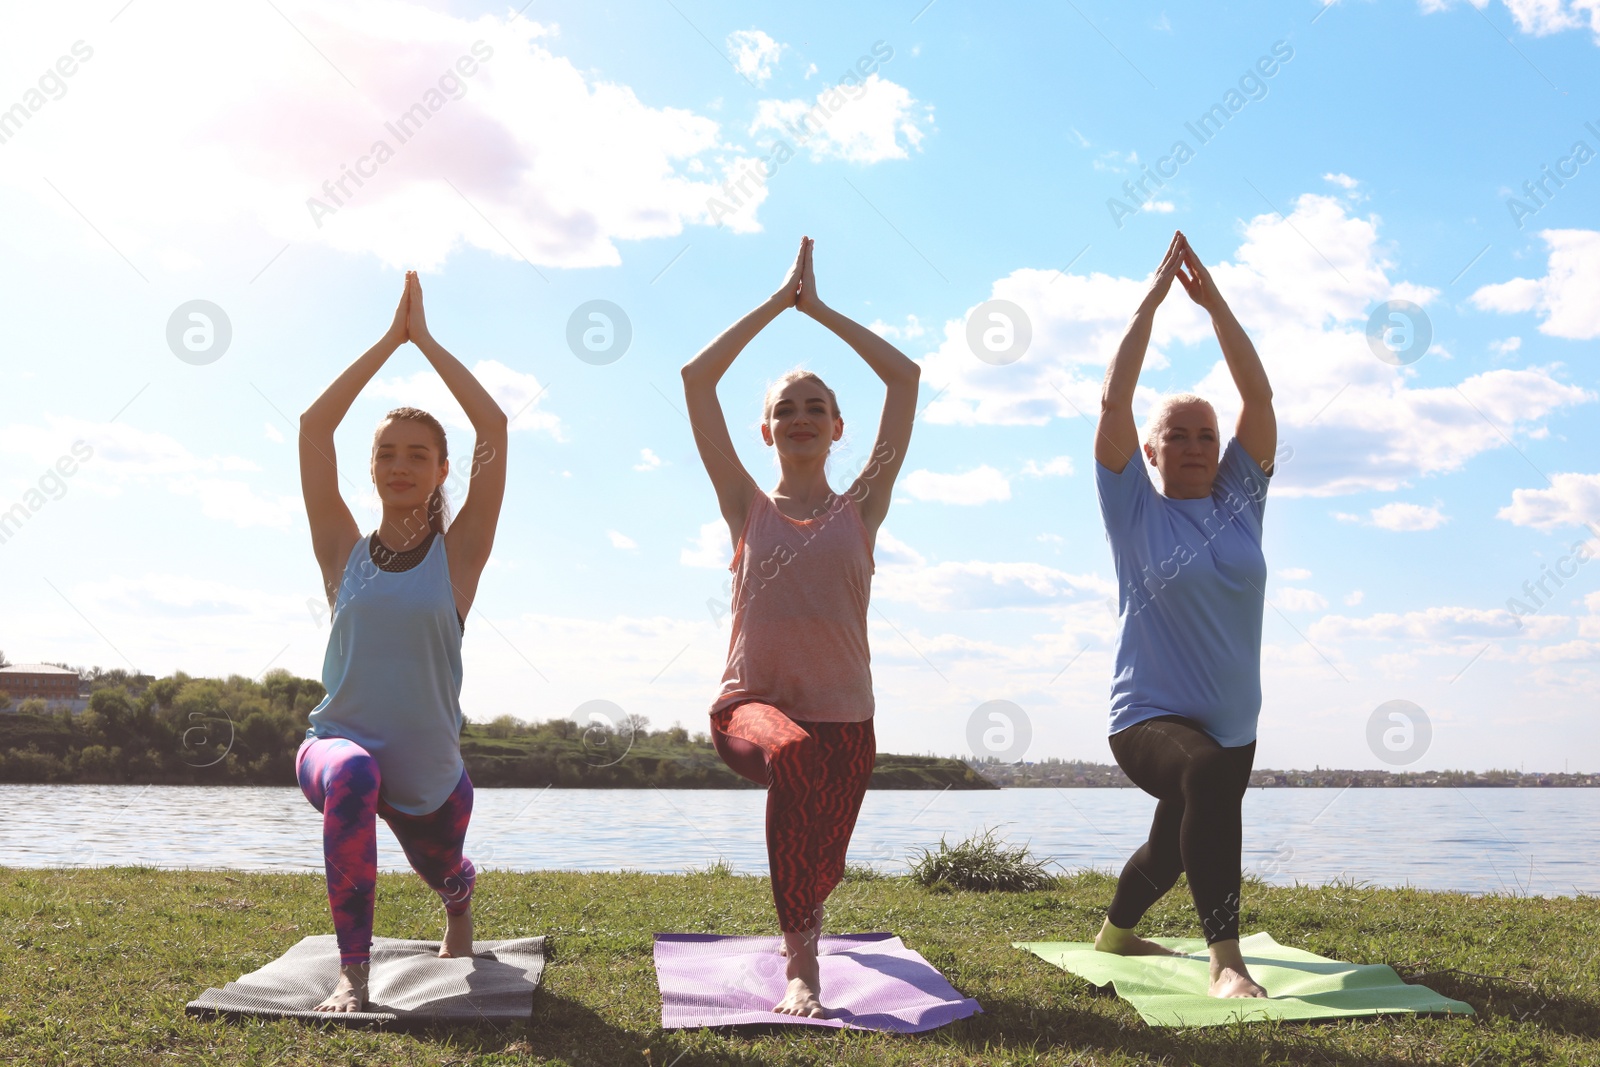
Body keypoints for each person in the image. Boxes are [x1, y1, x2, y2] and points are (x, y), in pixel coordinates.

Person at [680, 236, 920, 1018]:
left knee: (824, 861)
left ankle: (808, 910)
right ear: (766, 431)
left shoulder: (862, 509)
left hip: (848, 722)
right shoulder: (746, 506)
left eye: (816, 407)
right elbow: (696, 378)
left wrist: (821, 312)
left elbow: (905, 377)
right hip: (750, 709)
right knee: (792, 755)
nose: (801, 416)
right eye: (786, 408)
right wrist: (777, 304)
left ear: (839, 427)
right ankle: (801, 965)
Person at [296, 271, 508, 1012]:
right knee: (351, 775)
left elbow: (496, 429)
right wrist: (389, 342)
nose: (400, 465)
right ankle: (354, 972)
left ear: (442, 469)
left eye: (419, 454)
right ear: (373, 467)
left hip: (430, 769)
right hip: (339, 740)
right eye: (388, 452)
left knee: (442, 867)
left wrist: (428, 342)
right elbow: (313, 428)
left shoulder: (460, 556)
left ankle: (459, 899)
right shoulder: (342, 553)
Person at [1090, 231, 1278, 999]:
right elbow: (1112, 398)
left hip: (1236, 725)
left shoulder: (1242, 505)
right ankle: (1226, 961)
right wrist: (1153, 301)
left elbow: (1259, 402)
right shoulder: (1134, 508)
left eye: (1208, 434)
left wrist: (1216, 307)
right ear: (1151, 450)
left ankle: (1114, 932)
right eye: (1180, 435)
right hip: (1148, 720)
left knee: (1171, 849)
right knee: (1197, 773)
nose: (1198, 444)